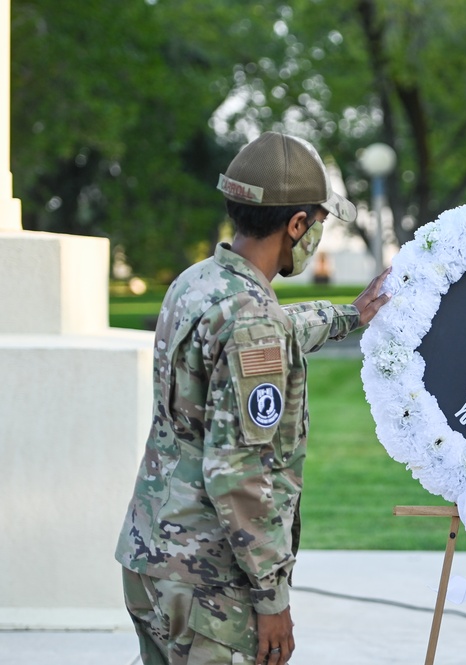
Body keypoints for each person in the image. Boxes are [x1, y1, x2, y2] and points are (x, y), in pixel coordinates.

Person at [116, 131, 391, 665]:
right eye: (317, 222)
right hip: (210, 581)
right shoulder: (252, 319)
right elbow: (238, 471)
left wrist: (348, 316)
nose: (315, 233)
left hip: (152, 556)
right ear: (295, 225)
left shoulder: (198, 282)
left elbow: (267, 331)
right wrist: (271, 598)